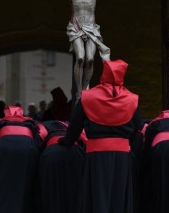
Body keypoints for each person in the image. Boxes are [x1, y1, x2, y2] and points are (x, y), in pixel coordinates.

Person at [16, 0, 146, 100]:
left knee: (90, 59)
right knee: (81, 58)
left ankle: (85, 89)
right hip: (76, 27)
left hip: (91, 27)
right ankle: (78, 92)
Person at [58, 59, 141, 213]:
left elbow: (75, 127)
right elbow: (138, 129)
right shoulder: (132, 99)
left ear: (104, 74)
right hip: (122, 157)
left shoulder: (87, 97)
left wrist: (66, 141)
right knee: (119, 196)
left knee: (96, 196)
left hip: (96, 156)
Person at [0, 105, 43, 213]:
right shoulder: (31, 122)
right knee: (26, 182)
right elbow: (41, 138)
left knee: (0, 184)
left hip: (2, 147)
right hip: (27, 148)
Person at [39, 120, 87, 213]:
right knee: (75, 191)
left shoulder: (43, 126)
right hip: (75, 152)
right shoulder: (77, 126)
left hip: (51, 154)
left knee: (53, 191)